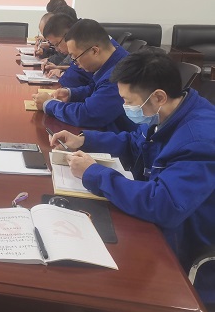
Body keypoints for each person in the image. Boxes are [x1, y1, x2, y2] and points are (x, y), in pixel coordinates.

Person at [49, 48, 215, 307]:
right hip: (158, 223)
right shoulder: (169, 112)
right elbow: (135, 142)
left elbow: (163, 205)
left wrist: (94, 173)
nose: (125, 107)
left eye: (128, 101)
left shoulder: (198, 139)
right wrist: (84, 140)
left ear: (158, 96)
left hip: (184, 246)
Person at [33, 19, 135, 132]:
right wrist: (71, 94)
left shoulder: (120, 73)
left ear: (95, 51)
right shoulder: (116, 57)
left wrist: (49, 104)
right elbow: (97, 88)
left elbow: (88, 114)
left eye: (75, 58)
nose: (75, 64)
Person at [42, 14, 93, 88]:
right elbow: (75, 68)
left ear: (68, 35)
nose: (57, 49)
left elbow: (76, 78)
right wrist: (59, 68)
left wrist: (61, 73)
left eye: (57, 44)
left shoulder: (85, 49)